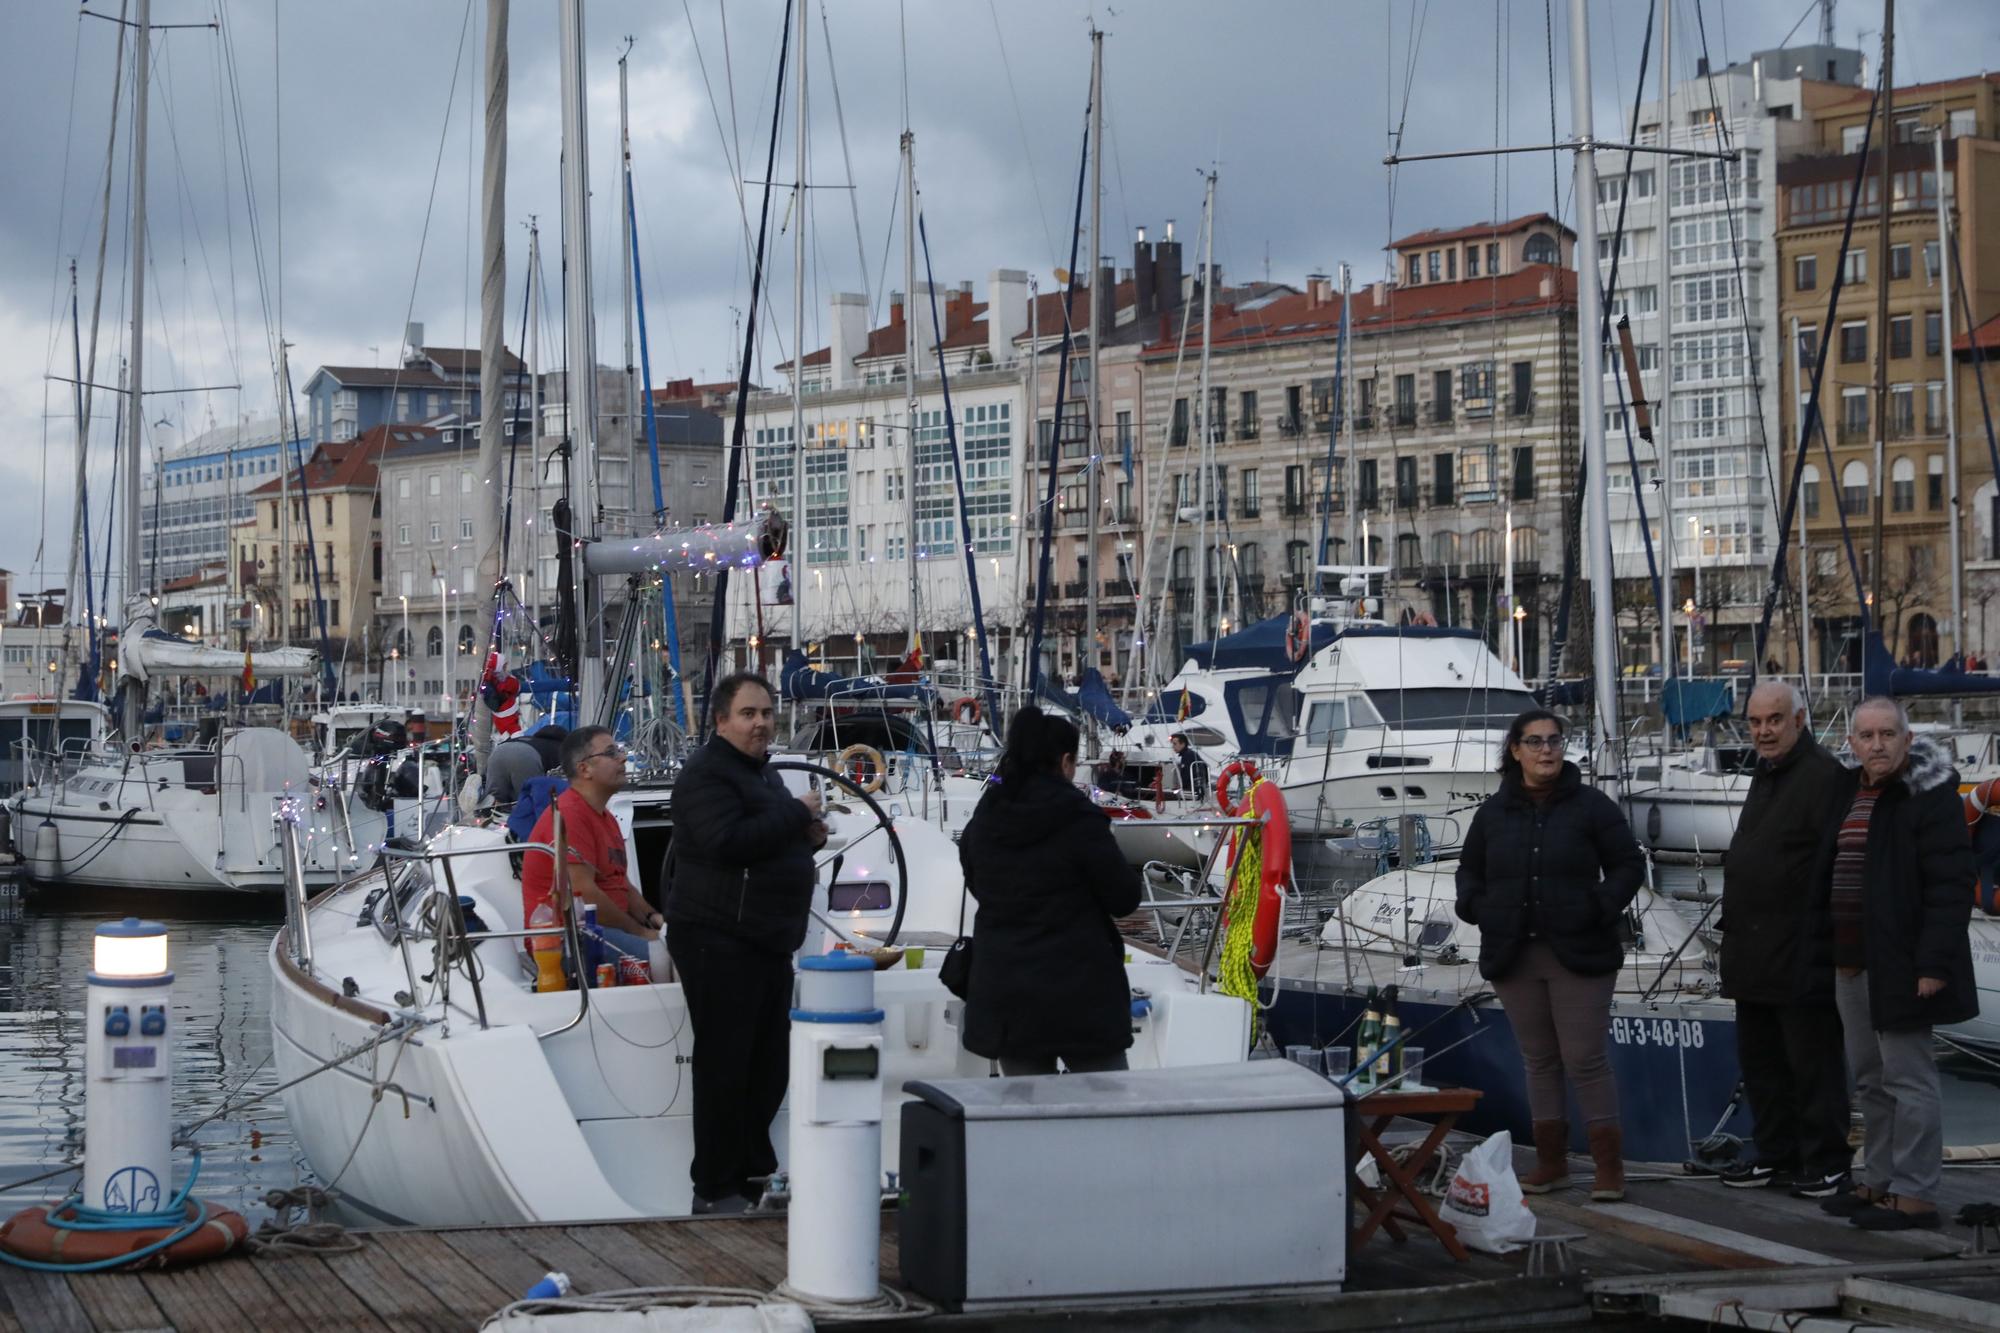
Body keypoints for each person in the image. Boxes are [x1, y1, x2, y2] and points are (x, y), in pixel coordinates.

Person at [1455, 709, 1644, 1201]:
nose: (1546, 751)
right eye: (1535, 742)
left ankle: (1609, 1169)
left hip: (1579, 952)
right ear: (1515, 750)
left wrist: (1598, 906)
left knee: (1585, 1059)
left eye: (1554, 741)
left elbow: (1627, 863)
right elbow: (1468, 874)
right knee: (1538, 1060)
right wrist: (1479, 909)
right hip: (1513, 954)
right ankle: (1551, 1163)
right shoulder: (1492, 814)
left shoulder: (1591, 806)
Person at [1815, 697, 1977, 1230]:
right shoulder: (1848, 791)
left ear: (1908, 740)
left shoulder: (1929, 797)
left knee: (1910, 1080)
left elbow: (1951, 887)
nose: (1877, 744)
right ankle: (1878, 1180)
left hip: (1902, 963)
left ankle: (1916, 1194)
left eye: (1888, 734)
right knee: (1869, 1079)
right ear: (1853, 742)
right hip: (1849, 959)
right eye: (1867, 735)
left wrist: (1932, 964)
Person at [667, 672, 826, 1214]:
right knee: (725, 1068)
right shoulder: (705, 775)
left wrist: (806, 833)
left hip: (762, 940)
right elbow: (727, 842)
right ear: (721, 721)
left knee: (767, 1068)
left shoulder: (760, 775)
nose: (761, 723)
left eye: (766, 712)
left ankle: (753, 1176)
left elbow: (768, 833)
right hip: (718, 939)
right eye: (749, 714)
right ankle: (714, 1189)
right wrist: (797, 813)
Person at [1716, 682, 1852, 1196]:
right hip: (1752, 953)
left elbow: (1831, 865)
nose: (1763, 731)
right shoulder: (1766, 773)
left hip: (1801, 950)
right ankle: (1776, 1153)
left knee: (1812, 1065)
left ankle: (1828, 1161)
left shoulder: (1824, 778)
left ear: (1799, 720)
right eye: (1754, 722)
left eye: (1774, 720)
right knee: (1763, 1063)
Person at [959, 706, 1141, 1075]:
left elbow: (976, 881)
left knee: (1027, 1115)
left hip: (1006, 990)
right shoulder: (1078, 818)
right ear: (1065, 761)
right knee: (1106, 1110)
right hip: (1079, 993)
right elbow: (1123, 899)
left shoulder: (985, 817)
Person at [521, 726, 662, 967]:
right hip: (570, 939)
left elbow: (621, 884)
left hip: (603, 930)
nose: (622, 757)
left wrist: (655, 919)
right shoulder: (571, 814)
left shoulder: (604, 817)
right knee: (674, 961)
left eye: (619, 750)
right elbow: (583, 897)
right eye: (611, 753)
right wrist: (641, 933)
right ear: (584, 768)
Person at [483, 722, 568, 809]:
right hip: (527, 757)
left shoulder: (531, 739)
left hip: (499, 751)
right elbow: (557, 777)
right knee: (526, 801)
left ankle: (485, 807)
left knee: (494, 799)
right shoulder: (560, 747)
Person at [1170, 733, 1207, 797]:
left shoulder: (1188, 756)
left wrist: (1179, 788)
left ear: (1183, 744)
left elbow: (1186, 775)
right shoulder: (1189, 754)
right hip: (1196, 786)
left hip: (1192, 788)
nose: (1173, 746)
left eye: (1175, 744)